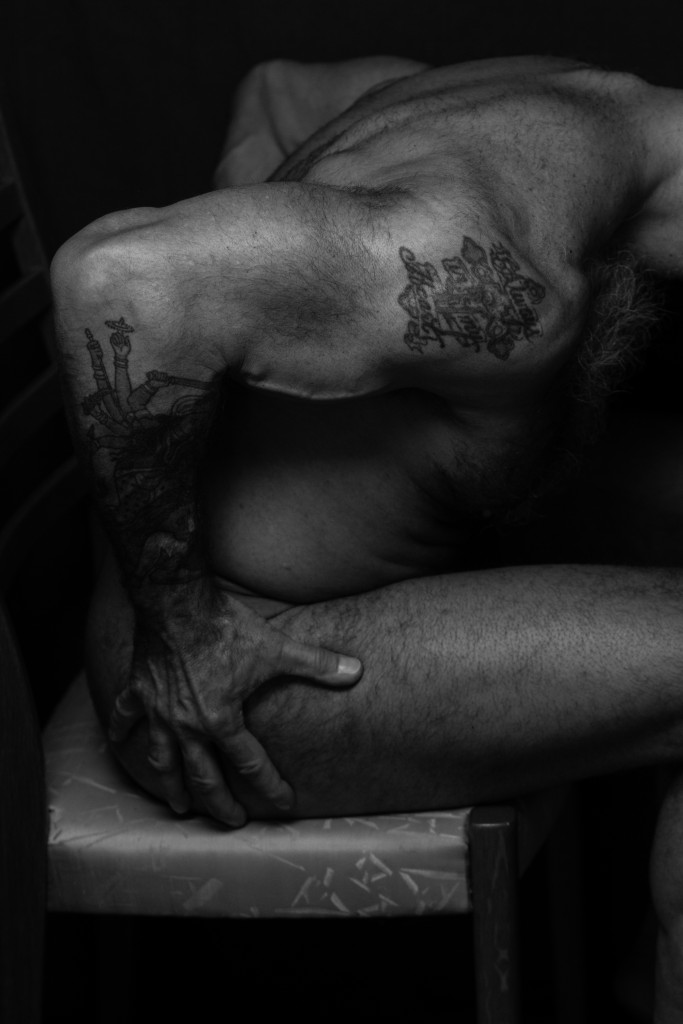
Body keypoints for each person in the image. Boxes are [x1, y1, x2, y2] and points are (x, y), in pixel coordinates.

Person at [51, 55, 683, 1020]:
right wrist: (180, 623)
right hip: (237, 679)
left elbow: (273, 89)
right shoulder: (486, 270)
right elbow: (116, 276)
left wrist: (280, 318)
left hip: (352, 577)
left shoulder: (577, 102)